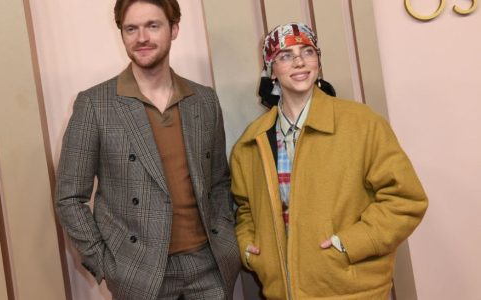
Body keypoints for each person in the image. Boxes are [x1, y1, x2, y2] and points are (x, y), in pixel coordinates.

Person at [55, 0, 240, 299]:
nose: (142, 38)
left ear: (174, 29)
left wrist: (227, 239)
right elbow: (69, 197)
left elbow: (219, 181)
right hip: (140, 275)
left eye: (153, 26)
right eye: (131, 29)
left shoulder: (204, 100)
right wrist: (105, 264)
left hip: (209, 268)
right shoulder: (95, 104)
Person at [230, 22, 428, 299]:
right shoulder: (251, 142)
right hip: (282, 292)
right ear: (271, 70)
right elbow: (245, 210)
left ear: (318, 61)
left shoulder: (362, 123)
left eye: (307, 52)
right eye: (286, 55)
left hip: (351, 291)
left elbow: (406, 200)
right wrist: (250, 249)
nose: (299, 61)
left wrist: (348, 244)